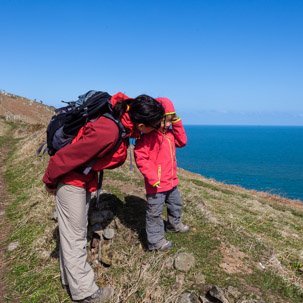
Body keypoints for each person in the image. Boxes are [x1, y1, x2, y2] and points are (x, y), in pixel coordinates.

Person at [43, 93, 164, 303]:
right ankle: (85, 293)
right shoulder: (108, 131)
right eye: (156, 125)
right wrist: (50, 181)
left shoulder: (123, 125)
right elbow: (67, 157)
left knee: (73, 234)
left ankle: (69, 281)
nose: (159, 129)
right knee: (76, 237)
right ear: (142, 124)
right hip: (70, 181)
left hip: (80, 179)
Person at [134, 97, 189, 251]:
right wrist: (153, 178)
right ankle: (155, 242)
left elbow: (182, 142)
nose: (167, 125)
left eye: (171, 121)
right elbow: (141, 159)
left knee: (176, 204)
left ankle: (174, 225)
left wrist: (176, 123)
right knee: (154, 214)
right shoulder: (146, 137)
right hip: (156, 184)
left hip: (171, 181)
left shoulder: (170, 134)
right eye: (165, 121)